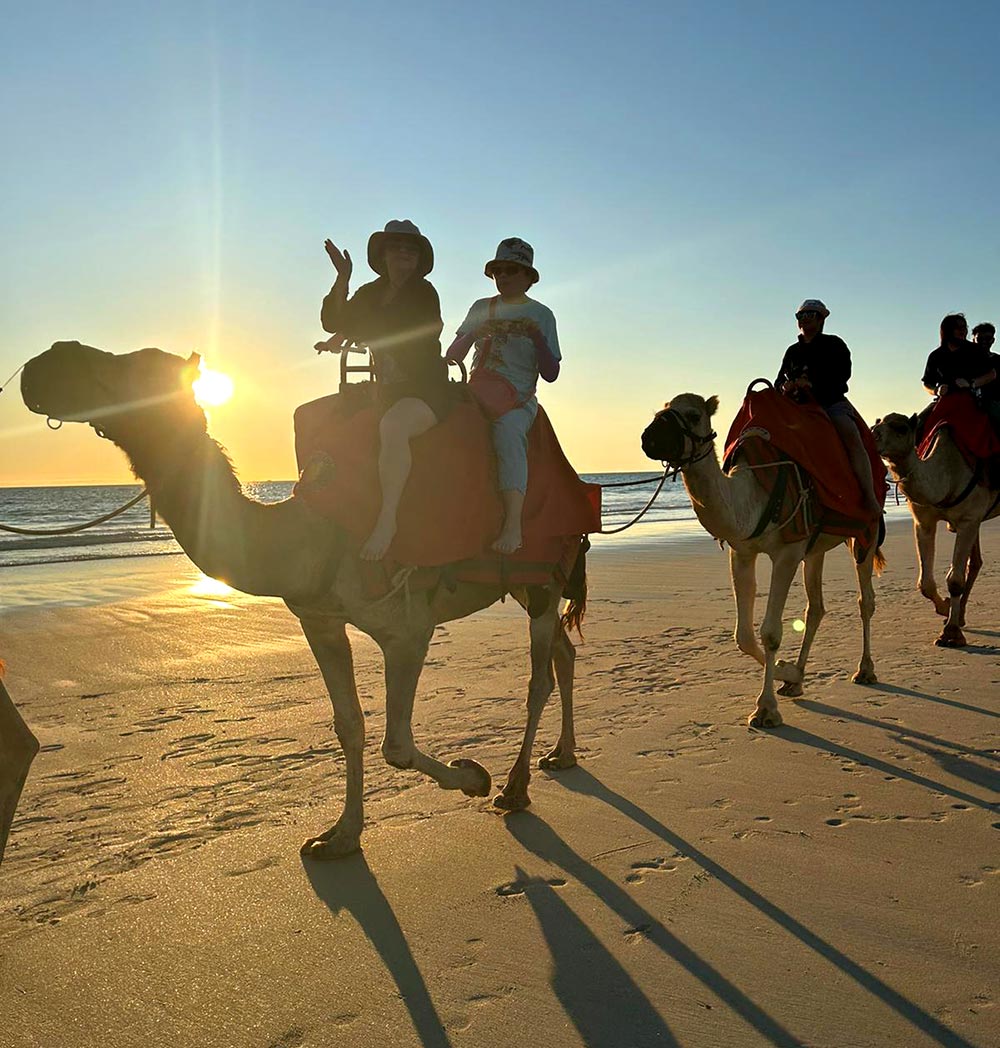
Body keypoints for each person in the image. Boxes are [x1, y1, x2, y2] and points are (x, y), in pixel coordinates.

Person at [317, 219, 450, 560]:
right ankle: (331, 512)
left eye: (410, 249)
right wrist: (342, 279)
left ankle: (387, 520)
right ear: (384, 255)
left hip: (426, 391)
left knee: (393, 426)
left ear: (419, 258)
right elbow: (335, 320)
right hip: (386, 391)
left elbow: (417, 329)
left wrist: (355, 330)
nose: (403, 254)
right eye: (396, 248)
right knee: (322, 419)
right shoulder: (370, 293)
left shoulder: (424, 293)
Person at [445, 238, 561, 554]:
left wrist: (536, 337)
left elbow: (551, 373)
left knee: (508, 433)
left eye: (511, 270)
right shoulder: (481, 308)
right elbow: (452, 355)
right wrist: (472, 334)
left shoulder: (541, 315)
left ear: (527, 277)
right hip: (476, 390)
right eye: (498, 270)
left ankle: (512, 526)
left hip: (518, 398)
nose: (503, 276)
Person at [775, 299, 882, 517]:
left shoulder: (835, 345)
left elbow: (842, 375)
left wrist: (812, 383)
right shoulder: (792, 351)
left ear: (821, 318)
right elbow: (778, 381)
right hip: (798, 408)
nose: (804, 320)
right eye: (800, 316)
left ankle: (869, 496)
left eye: (809, 315)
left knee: (849, 434)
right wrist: (785, 386)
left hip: (831, 403)